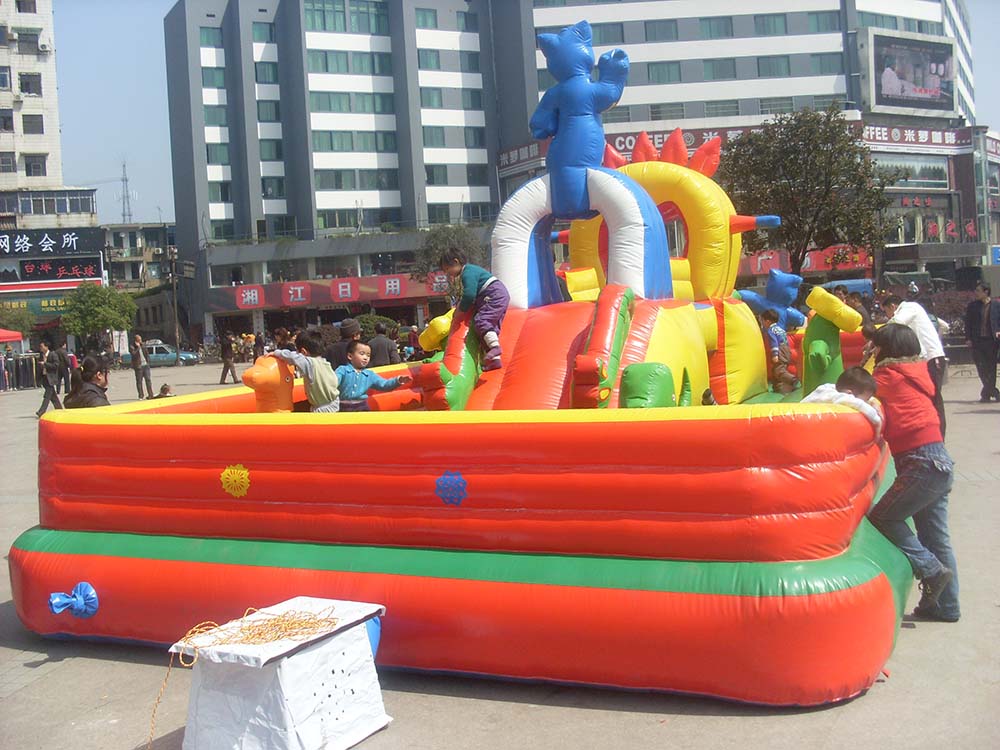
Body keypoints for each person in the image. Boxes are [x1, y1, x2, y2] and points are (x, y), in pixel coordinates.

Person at [866, 324, 959, 623]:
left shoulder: (885, 376)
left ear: (885, 349)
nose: (872, 350)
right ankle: (946, 606)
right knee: (935, 537)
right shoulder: (917, 372)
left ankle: (931, 570)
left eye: (876, 346)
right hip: (937, 460)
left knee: (883, 516)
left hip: (920, 463)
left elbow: (853, 390)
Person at [876, 294, 947, 435]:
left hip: (932, 357)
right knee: (927, 396)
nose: (888, 316)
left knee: (934, 398)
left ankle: (938, 434)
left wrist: (876, 337)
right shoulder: (910, 310)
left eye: (887, 312)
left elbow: (896, 322)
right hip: (924, 359)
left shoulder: (910, 307)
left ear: (893, 306)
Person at [440, 250, 510, 371]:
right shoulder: (469, 272)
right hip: (498, 294)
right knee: (488, 329)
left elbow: (469, 295)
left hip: (493, 294)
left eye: (447, 269)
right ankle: (495, 360)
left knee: (482, 321)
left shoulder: (467, 272)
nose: (448, 273)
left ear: (456, 262)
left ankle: (495, 348)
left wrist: (460, 310)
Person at [270, 331, 341, 413]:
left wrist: (276, 353)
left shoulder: (309, 364)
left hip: (322, 409)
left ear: (303, 352)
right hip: (334, 403)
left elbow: (292, 357)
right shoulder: (324, 362)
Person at [334, 340, 411, 412]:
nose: (365, 358)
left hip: (362, 407)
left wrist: (398, 380)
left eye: (368, 355)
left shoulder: (369, 375)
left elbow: (384, 384)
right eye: (362, 354)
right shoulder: (343, 370)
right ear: (350, 356)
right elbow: (334, 381)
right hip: (343, 407)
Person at [801, 366, 882, 432]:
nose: (866, 402)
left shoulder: (832, 389)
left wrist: (872, 402)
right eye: (865, 400)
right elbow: (857, 403)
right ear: (849, 393)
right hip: (800, 425)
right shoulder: (836, 396)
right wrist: (877, 421)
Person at [964, 282, 999, 402]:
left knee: (991, 367)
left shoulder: (996, 305)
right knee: (981, 367)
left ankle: (986, 394)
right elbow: (967, 323)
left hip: (991, 341)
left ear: (986, 292)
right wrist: (968, 338)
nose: (976, 293)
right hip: (977, 341)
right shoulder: (973, 306)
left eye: (978, 291)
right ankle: (994, 391)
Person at [760, 309, 799, 394]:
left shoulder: (771, 330)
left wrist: (775, 355)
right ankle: (777, 387)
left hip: (780, 350)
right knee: (776, 369)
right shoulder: (780, 329)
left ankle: (792, 380)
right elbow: (785, 340)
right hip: (786, 349)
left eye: (762, 321)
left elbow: (774, 342)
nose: (762, 323)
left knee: (779, 370)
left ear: (767, 321)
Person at [35, 340, 63, 417]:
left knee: (47, 396)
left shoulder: (53, 354)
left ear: (46, 347)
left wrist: (45, 364)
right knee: (53, 396)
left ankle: (41, 411)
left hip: (51, 378)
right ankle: (59, 409)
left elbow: (56, 365)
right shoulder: (41, 356)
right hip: (44, 378)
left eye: (42, 346)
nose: (40, 348)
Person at [130, 334, 154, 399]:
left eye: (140, 339)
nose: (141, 341)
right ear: (136, 340)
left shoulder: (143, 345)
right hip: (138, 366)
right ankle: (141, 395)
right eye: (139, 340)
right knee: (139, 382)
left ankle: (151, 394)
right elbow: (133, 354)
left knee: (148, 380)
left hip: (145, 365)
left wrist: (148, 362)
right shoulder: (132, 346)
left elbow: (146, 353)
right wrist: (138, 348)